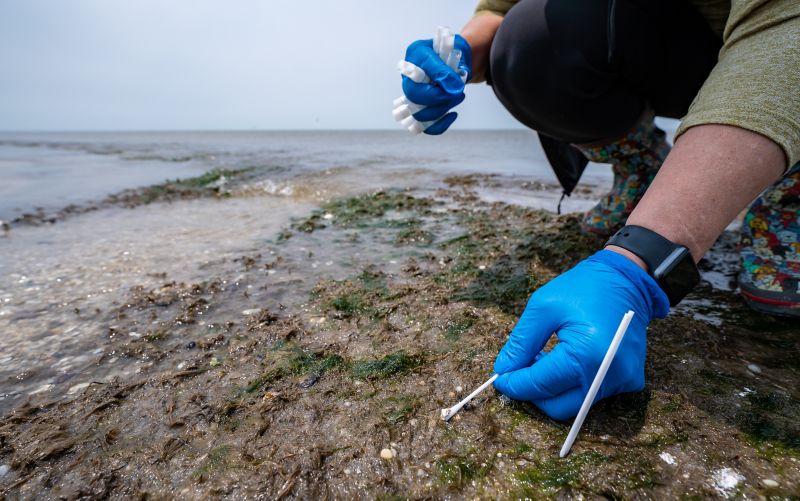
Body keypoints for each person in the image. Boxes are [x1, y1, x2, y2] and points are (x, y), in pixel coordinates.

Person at [398, 0, 799, 420]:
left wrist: (641, 260)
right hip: (662, 47)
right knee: (527, 39)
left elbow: (788, 29)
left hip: (776, 45)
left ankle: (787, 184)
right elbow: (499, 12)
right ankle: (643, 168)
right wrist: (461, 53)